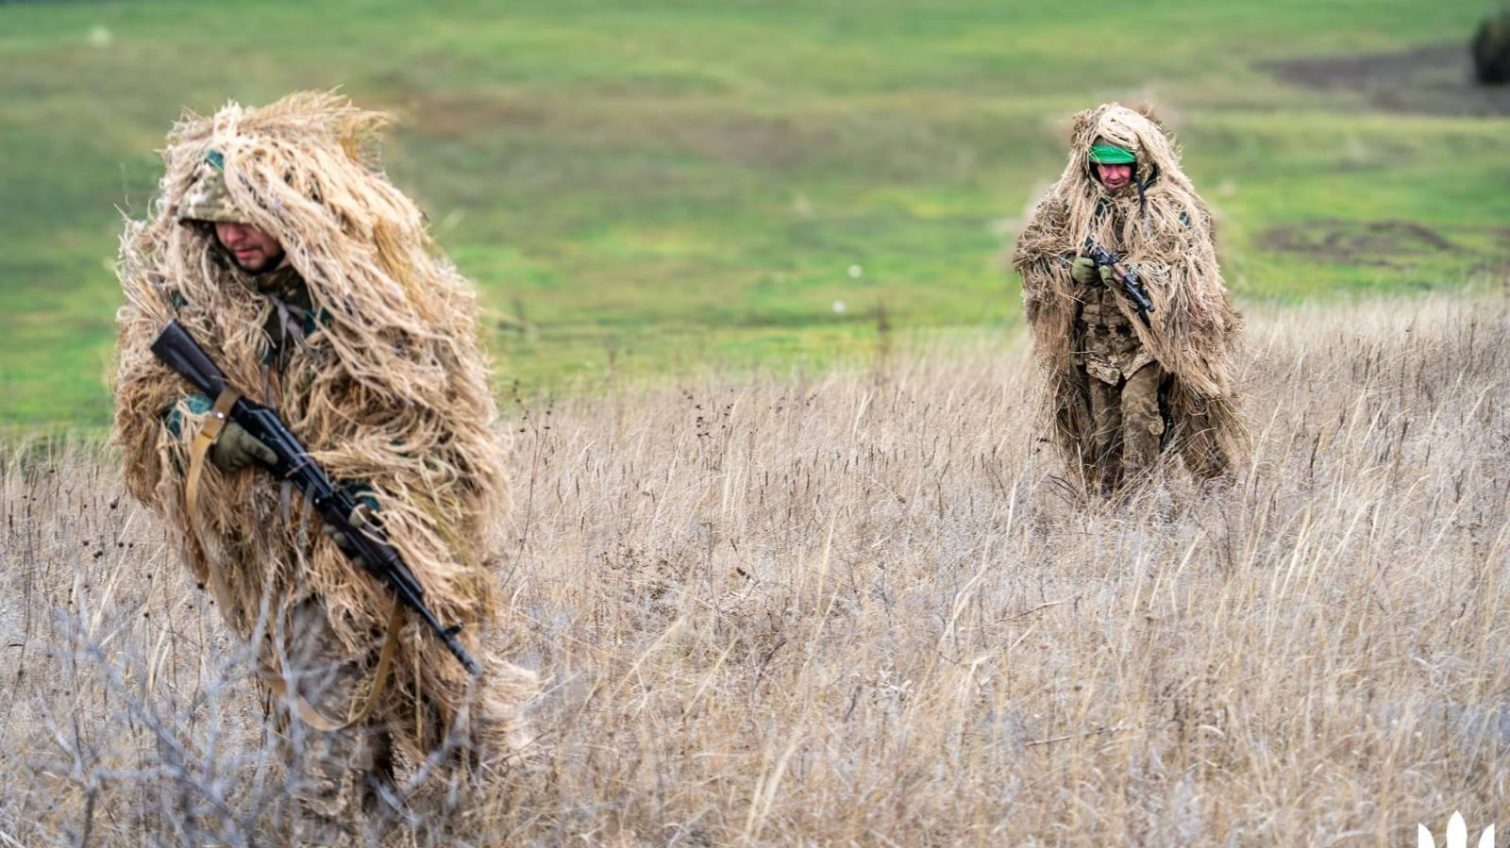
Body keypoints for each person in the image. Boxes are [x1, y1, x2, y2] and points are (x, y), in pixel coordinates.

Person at [112, 92, 536, 841]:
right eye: (217, 221)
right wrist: (215, 434)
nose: (232, 236)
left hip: (382, 541)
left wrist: (387, 499)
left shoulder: (380, 305)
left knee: (441, 705)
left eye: (248, 218)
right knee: (320, 736)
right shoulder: (196, 308)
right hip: (278, 555)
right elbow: (148, 418)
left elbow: (437, 424)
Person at [1013, 103, 1245, 494]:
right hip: (1093, 344)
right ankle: (1113, 511)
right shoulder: (1067, 205)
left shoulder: (1171, 208)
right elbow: (1033, 255)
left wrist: (1136, 275)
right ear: (1090, 165)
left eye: (1123, 164)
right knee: (1104, 433)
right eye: (1105, 164)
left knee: (1141, 417)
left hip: (1151, 341)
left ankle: (1145, 505)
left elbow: (1187, 267)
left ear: (1140, 162)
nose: (1115, 173)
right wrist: (1069, 267)